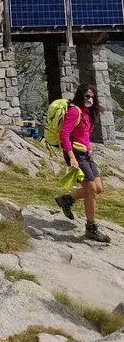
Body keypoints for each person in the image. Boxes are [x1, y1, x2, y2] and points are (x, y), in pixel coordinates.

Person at [55, 81, 111, 244]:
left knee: (99, 188)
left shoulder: (88, 112)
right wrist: (71, 157)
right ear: (80, 95)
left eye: (92, 96)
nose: (90, 99)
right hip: (76, 155)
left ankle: (67, 200)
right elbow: (64, 134)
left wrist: (89, 147)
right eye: (87, 96)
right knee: (91, 190)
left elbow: (85, 133)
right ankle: (91, 228)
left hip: (86, 153)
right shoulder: (75, 111)